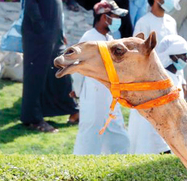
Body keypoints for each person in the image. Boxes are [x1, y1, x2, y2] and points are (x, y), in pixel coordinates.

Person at [73, 1, 131, 155]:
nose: (118, 19)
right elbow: (77, 69)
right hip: (93, 95)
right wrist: (77, 92)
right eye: (114, 16)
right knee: (89, 137)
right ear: (104, 17)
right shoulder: (89, 38)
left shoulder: (110, 38)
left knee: (121, 138)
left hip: (110, 95)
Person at [21, 0, 79, 133]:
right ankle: (33, 119)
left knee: (60, 70)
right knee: (36, 76)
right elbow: (31, 7)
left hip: (53, 33)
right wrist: (43, 30)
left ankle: (73, 110)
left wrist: (59, 31)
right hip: (39, 36)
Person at [129, 35, 187, 154]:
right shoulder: (159, 79)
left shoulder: (177, 74)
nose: (186, 59)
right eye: (183, 56)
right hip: (153, 135)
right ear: (173, 57)